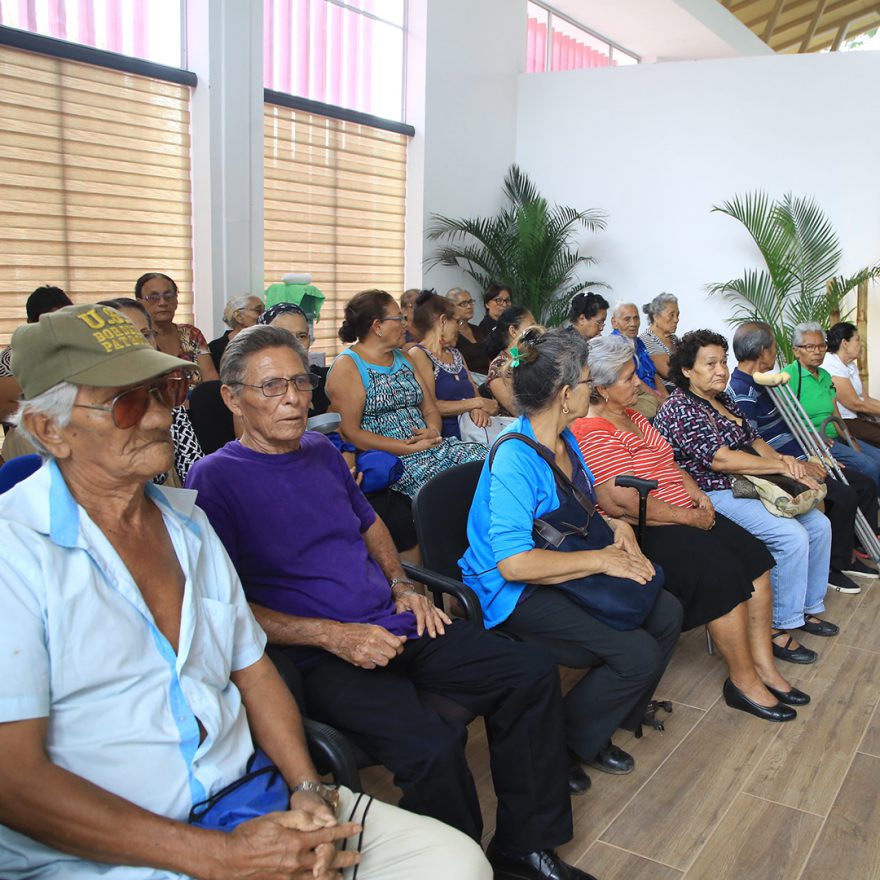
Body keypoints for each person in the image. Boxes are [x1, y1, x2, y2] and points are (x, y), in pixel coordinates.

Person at [0, 305, 490, 879]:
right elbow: (14, 782)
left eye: (165, 391)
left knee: (458, 863)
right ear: (49, 430)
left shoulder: (187, 524)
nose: (160, 417)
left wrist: (306, 787)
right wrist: (221, 857)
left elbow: (252, 667)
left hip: (250, 796)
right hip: (118, 849)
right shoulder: (16, 555)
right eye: (128, 403)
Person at [185, 324, 597, 880]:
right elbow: (227, 609)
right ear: (233, 398)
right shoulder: (213, 479)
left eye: (300, 383)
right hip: (320, 655)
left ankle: (525, 847)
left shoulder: (320, 451)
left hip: (394, 620)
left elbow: (370, 525)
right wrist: (332, 634)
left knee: (529, 672)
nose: (293, 399)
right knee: (432, 746)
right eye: (271, 387)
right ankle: (459, 866)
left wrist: (403, 586)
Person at [460, 328, 683, 777]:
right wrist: (603, 560)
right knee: (636, 654)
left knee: (667, 611)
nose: (592, 387)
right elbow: (514, 564)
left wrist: (617, 526)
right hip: (512, 588)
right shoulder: (516, 458)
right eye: (586, 380)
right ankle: (565, 745)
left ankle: (605, 718)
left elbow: (581, 506)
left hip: (559, 558)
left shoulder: (566, 437)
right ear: (565, 395)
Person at [574, 335, 804, 721]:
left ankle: (764, 665)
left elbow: (669, 463)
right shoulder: (591, 430)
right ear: (600, 387)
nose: (639, 383)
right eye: (629, 378)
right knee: (721, 576)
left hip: (683, 509)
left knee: (756, 558)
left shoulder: (633, 416)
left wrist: (697, 495)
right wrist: (687, 516)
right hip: (648, 526)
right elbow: (622, 503)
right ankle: (743, 681)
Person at [653, 330, 836, 665]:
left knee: (819, 525)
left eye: (723, 362)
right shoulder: (679, 408)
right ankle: (777, 626)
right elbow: (721, 460)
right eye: (711, 364)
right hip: (713, 490)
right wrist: (777, 467)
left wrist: (787, 465)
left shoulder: (724, 399)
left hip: (749, 483)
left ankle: (803, 608)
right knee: (790, 536)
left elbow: (755, 441)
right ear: (688, 370)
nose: (721, 370)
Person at [728, 321, 878, 592]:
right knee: (845, 494)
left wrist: (817, 454)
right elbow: (751, 444)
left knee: (862, 483)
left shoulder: (764, 382)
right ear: (762, 351)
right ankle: (834, 566)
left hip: (803, 455)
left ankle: (848, 553)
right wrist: (799, 464)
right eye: (774, 346)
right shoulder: (743, 392)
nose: (776, 352)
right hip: (784, 465)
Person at [260, 302, 419, 556]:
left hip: (337, 469)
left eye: (302, 336)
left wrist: (347, 457)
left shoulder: (320, 380)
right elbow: (255, 449)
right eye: (285, 336)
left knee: (399, 514)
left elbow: (344, 431)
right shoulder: (256, 390)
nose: (296, 344)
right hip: (290, 478)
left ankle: (405, 582)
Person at [326, 289, 486, 499]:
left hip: (432, 446)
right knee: (452, 487)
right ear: (378, 326)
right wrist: (406, 447)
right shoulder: (348, 366)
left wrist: (432, 430)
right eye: (398, 318)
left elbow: (429, 409)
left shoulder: (405, 358)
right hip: (395, 460)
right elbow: (350, 433)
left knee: (490, 460)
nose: (405, 324)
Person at [98, 297, 204, 486]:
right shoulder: (91, 408)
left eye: (146, 335)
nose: (140, 344)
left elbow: (195, 473)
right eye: (125, 335)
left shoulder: (167, 396)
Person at [783, 322, 880, 494]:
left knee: (877, 457)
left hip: (835, 437)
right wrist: (809, 436)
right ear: (796, 350)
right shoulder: (788, 376)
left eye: (822, 346)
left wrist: (851, 441)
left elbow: (836, 415)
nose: (817, 351)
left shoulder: (826, 376)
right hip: (815, 442)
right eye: (810, 347)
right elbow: (782, 419)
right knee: (869, 465)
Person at [409, 291, 498, 439]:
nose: (459, 328)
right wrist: (476, 403)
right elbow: (431, 406)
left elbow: (474, 394)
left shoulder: (456, 354)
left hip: (476, 430)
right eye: (457, 322)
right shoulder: (419, 355)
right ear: (443, 321)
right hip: (449, 436)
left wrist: (479, 410)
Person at [0, 285, 73, 425]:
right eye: (48, 324)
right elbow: (4, 407)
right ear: (30, 323)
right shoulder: (12, 358)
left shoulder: (78, 349)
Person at [135, 272, 219, 384]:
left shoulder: (191, 334)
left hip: (198, 395)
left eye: (168, 296)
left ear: (176, 300)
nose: (162, 303)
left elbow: (211, 378)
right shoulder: (136, 340)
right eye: (153, 297)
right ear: (139, 303)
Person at [824, 321, 880, 447]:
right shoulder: (831, 363)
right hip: (844, 421)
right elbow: (855, 403)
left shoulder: (851, 365)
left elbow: (866, 399)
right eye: (857, 340)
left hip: (858, 417)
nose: (861, 344)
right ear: (845, 343)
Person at [609, 302, 667, 418]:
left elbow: (653, 373)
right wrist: (659, 399)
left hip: (652, 394)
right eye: (627, 319)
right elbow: (635, 381)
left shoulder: (637, 341)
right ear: (614, 322)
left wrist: (666, 396)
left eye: (636, 318)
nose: (633, 324)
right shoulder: (614, 346)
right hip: (635, 398)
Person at [484, 306, 536, 417]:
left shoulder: (531, 357)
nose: (536, 331)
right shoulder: (497, 370)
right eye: (531, 326)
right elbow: (519, 412)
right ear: (513, 331)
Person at [209, 295, 265, 370]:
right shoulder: (215, 349)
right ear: (239, 317)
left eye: (264, 310)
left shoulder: (268, 343)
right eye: (259, 310)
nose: (264, 315)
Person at [446, 286, 490, 375]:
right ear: (451, 307)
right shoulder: (451, 335)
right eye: (463, 304)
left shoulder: (477, 329)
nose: (469, 306)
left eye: (470, 302)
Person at [639, 293, 680, 386]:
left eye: (677, 315)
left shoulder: (674, 339)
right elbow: (670, 373)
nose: (676, 319)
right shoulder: (645, 341)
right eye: (671, 315)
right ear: (656, 317)